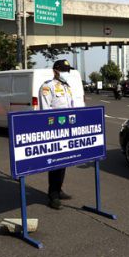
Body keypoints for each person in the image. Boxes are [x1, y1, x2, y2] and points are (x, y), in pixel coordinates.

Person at [39, 59, 78, 210]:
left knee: (64, 161)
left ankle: (59, 189)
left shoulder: (67, 87)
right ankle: (53, 195)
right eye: (63, 70)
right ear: (55, 70)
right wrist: (53, 129)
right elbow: (46, 112)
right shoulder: (47, 87)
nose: (66, 73)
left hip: (67, 130)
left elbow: (71, 107)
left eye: (68, 70)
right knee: (55, 162)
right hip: (54, 131)